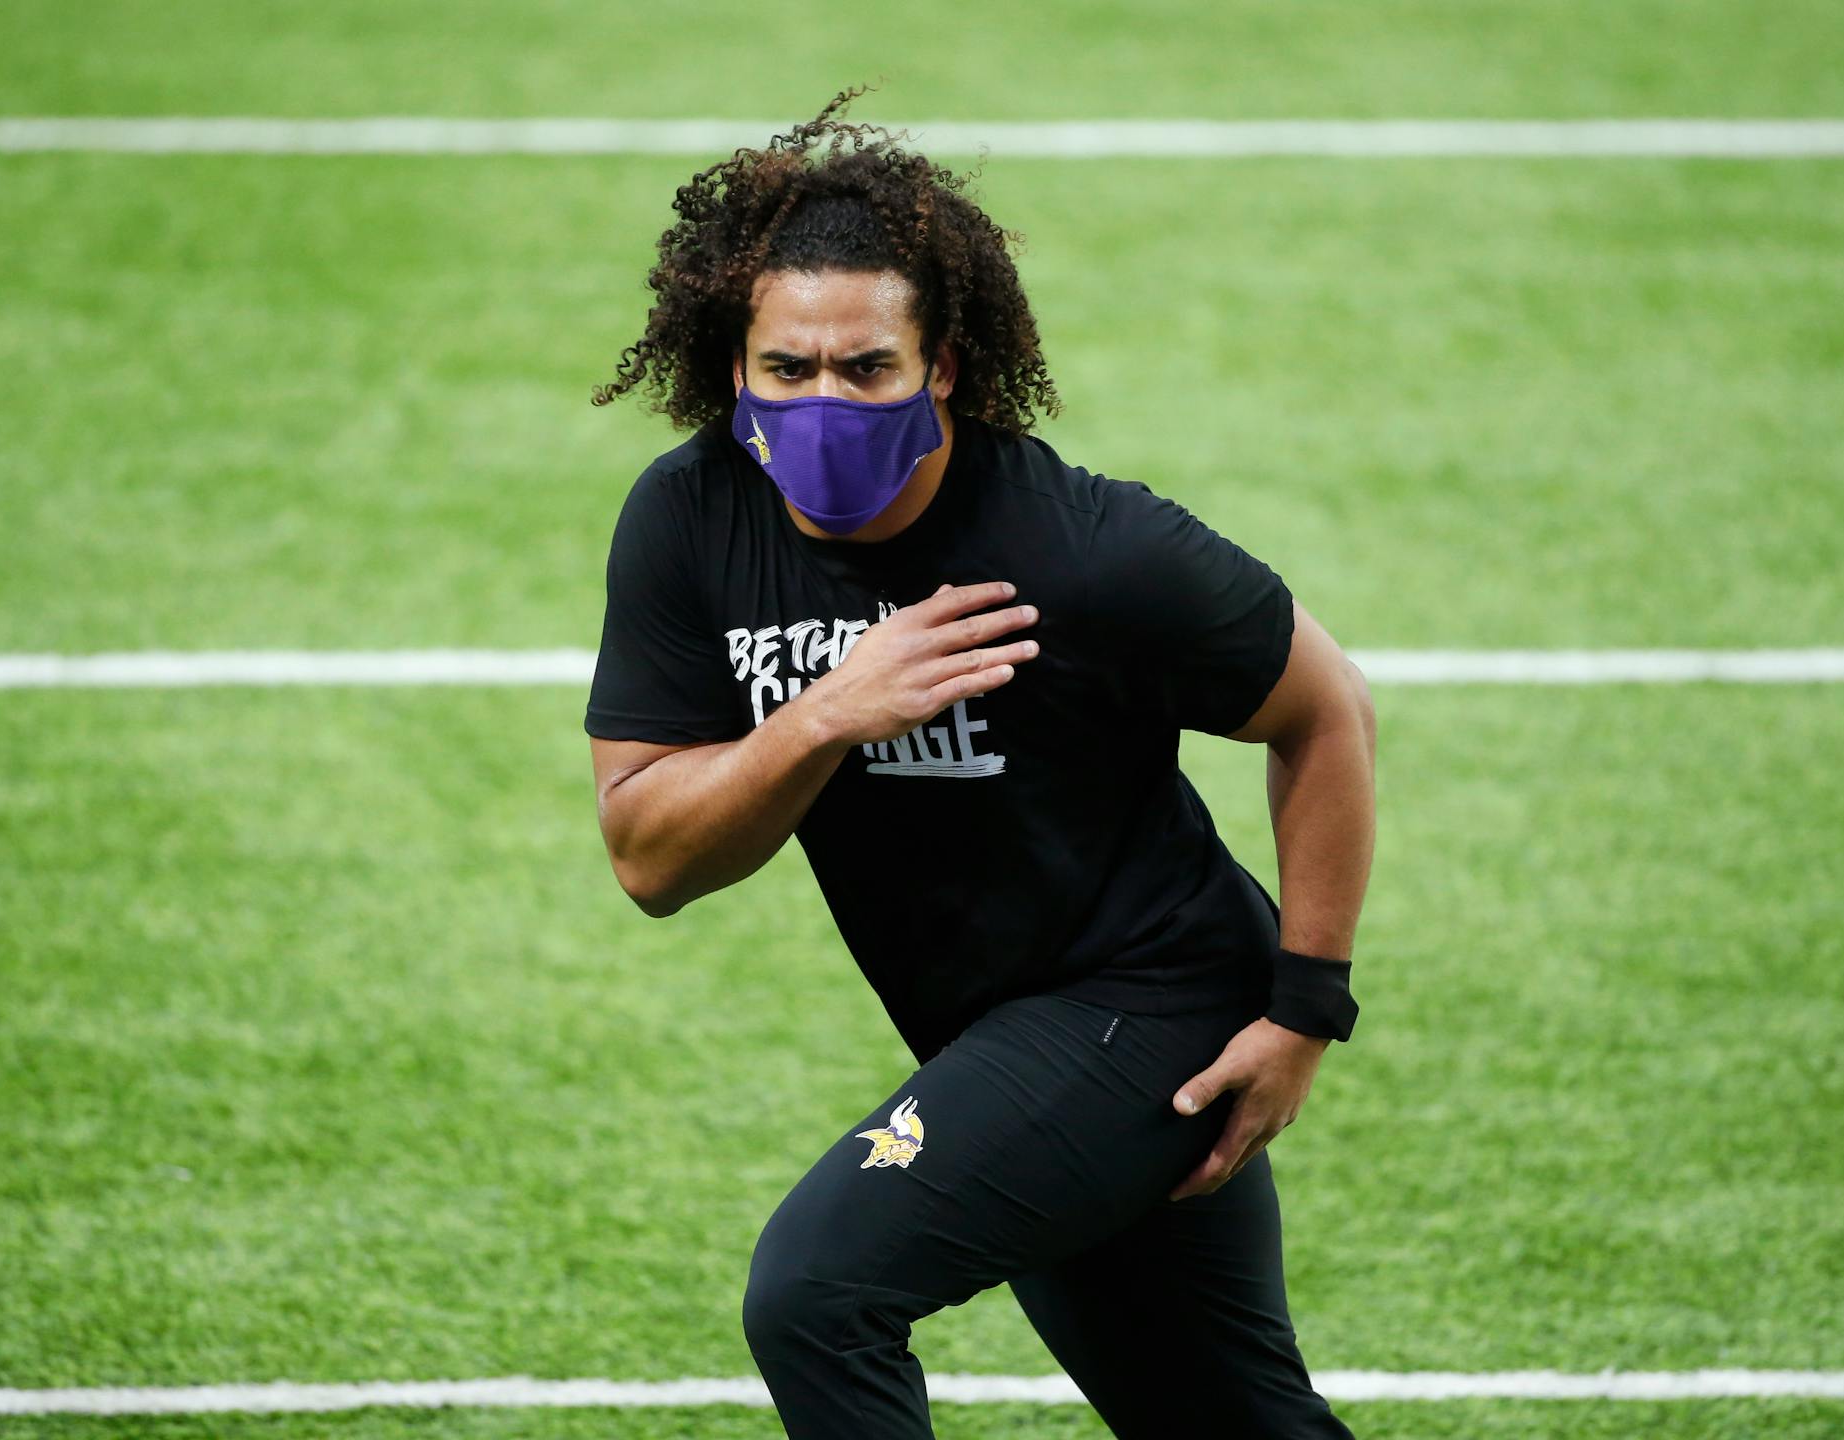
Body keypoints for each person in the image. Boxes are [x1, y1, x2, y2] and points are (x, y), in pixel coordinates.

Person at [584, 87, 1376, 1440]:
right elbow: (651, 855)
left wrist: (1304, 1010)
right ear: (733, 365)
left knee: (816, 1295)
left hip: (1153, 1004)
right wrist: (822, 717)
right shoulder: (693, 518)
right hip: (993, 1033)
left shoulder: (1087, 550)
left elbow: (1326, 710)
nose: (822, 399)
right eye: (786, 369)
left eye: (865, 368)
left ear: (941, 364)